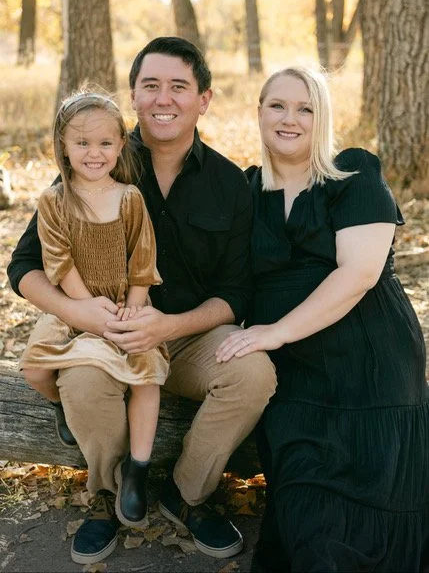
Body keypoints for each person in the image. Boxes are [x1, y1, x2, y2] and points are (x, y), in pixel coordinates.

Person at [7, 37, 277, 565]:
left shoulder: (229, 182)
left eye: (179, 86)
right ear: (133, 94)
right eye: (150, 85)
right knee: (82, 380)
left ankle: (188, 492)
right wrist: (76, 312)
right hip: (102, 332)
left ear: (204, 99)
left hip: (190, 335)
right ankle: (107, 496)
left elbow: (237, 293)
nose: (163, 98)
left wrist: (169, 327)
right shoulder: (95, 152)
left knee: (254, 372)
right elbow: (24, 266)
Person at [216, 65, 429, 572]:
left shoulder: (353, 174)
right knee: (309, 528)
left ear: (322, 117)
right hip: (297, 379)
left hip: (371, 367)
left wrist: (274, 331)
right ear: (260, 112)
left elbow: (358, 274)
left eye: (305, 108)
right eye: (278, 106)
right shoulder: (245, 190)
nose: (290, 119)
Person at [19, 90, 170, 535]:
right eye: (81, 143)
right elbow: (58, 261)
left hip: (127, 306)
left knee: (147, 375)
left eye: (105, 143)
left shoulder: (129, 199)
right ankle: (62, 405)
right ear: (62, 145)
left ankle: (137, 470)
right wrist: (85, 309)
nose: (94, 153)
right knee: (34, 368)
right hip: (76, 307)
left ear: (121, 144)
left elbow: (143, 261)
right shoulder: (54, 201)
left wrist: (132, 310)